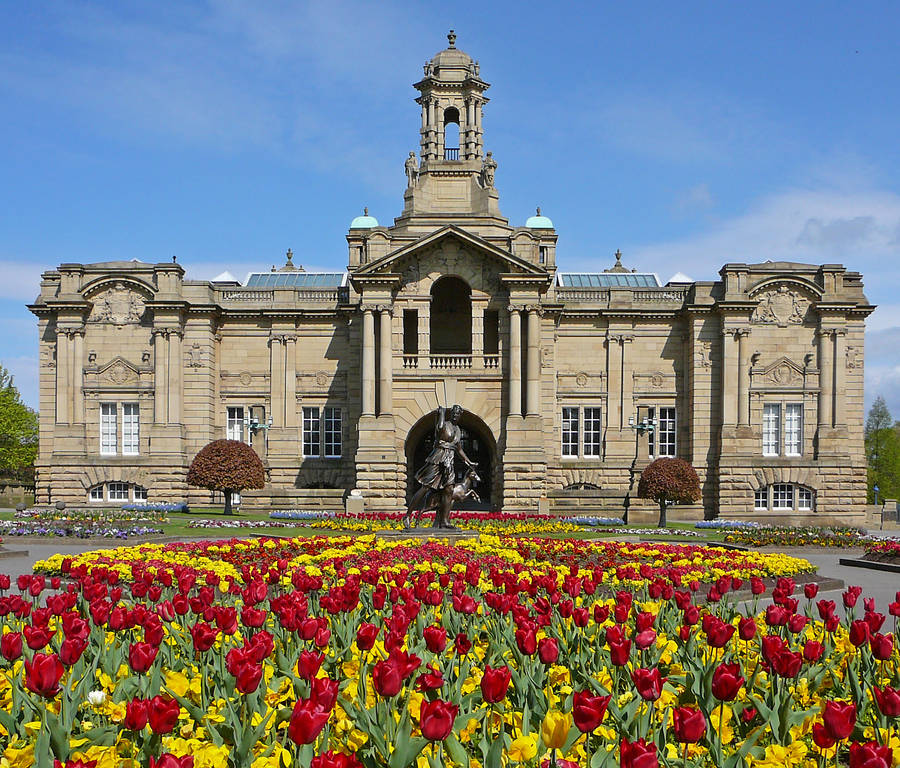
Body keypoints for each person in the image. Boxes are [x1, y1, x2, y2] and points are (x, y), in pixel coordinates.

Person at [404, 405, 475, 528]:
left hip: (449, 460)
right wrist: (441, 414)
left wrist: (469, 461)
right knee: (425, 487)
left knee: (449, 490)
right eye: (453, 413)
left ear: (460, 416)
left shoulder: (458, 430)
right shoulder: (444, 424)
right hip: (437, 458)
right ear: (451, 414)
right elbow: (440, 427)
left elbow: (459, 449)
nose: (455, 415)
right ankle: (408, 515)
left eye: (458, 414)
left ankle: (444, 521)